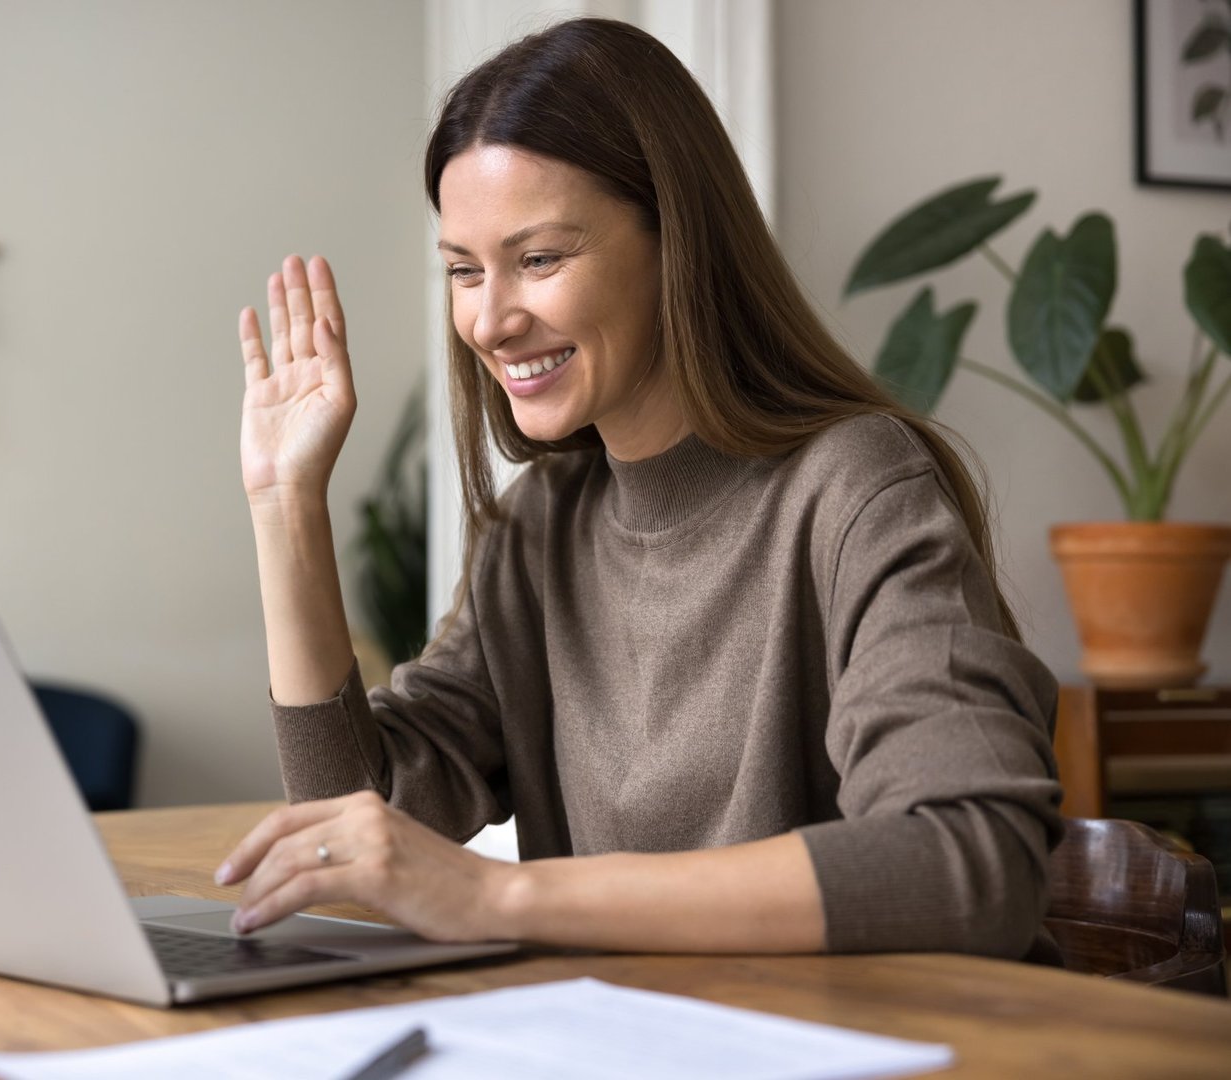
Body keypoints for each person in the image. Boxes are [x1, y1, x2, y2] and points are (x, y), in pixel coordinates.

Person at [220, 17, 1061, 958]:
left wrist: (506, 901)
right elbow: (358, 827)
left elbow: (971, 864)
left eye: (538, 258)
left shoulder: (855, 487)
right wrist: (285, 504)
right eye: (464, 271)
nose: (490, 320)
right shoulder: (540, 528)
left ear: (677, 241)